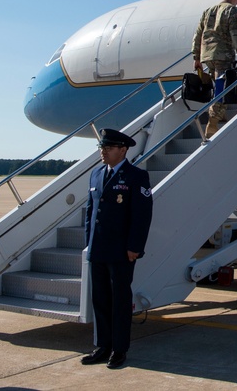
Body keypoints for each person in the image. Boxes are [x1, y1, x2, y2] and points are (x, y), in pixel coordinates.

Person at [82, 128, 153, 370]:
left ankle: (119, 349)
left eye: (108, 148)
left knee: (120, 301)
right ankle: (103, 346)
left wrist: (135, 247)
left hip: (122, 251)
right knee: (100, 299)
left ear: (123, 150)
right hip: (99, 249)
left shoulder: (136, 176)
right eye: (102, 147)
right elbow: (91, 212)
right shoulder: (96, 174)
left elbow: (141, 216)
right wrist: (89, 242)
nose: (103, 151)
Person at [192, 0, 237, 138]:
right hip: (223, 54)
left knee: (217, 85)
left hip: (207, 55)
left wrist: (196, 57)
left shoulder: (208, 11)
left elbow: (198, 35)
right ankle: (212, 122)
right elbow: (235, 33)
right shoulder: (232, 10)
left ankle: (221, 115)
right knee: (222, 88)